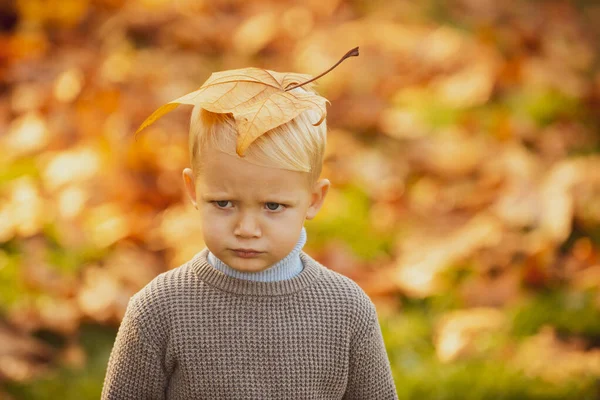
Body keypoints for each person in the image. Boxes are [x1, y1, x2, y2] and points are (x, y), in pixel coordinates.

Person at [101, 74, 398, 399]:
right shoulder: (159, 311)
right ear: (194, 190)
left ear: (313, 200)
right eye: (224, 203)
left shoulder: (347, 311)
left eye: (273, 206)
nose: (246, 228)